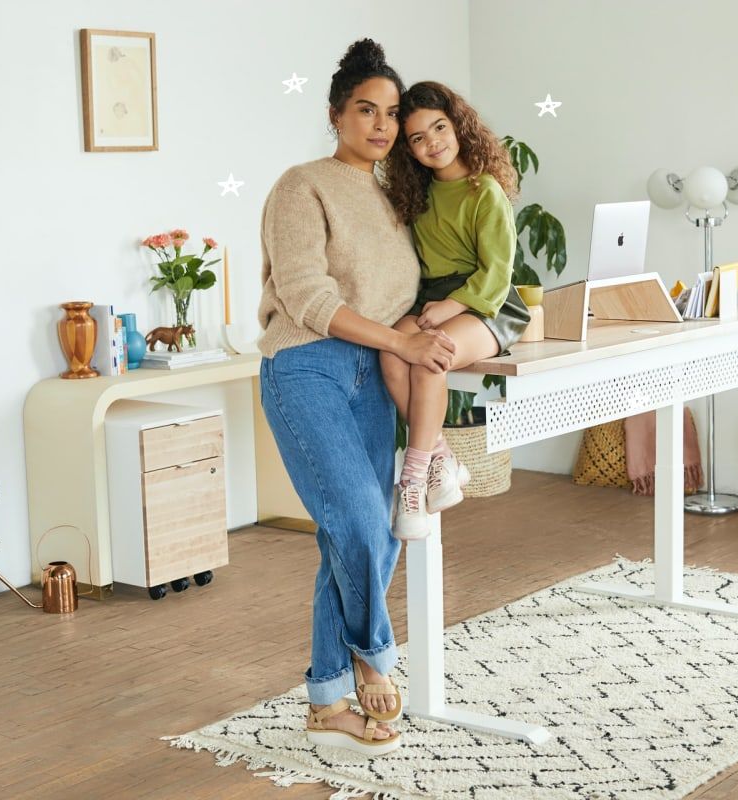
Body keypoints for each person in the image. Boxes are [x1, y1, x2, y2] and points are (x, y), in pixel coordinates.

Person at [258, 39, 457, 757]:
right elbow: (306, 294)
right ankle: (374, 654)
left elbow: (419, 286)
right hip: (306, 366)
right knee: (365, 523)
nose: (380, 125)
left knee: (349, 536)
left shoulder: (399, 194)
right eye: (365, 110)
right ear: (336, 113)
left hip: (375, 371)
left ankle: (325, 700)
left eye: (391, 112)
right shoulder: (301, 185)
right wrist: (400, 342)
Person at [381, 81, 530, 540]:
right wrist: (435, 306)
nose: (433, 143)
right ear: (407, 149)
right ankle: (442, 458)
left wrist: (451, 306)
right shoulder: (417, 196)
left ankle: (412, 479)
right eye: (418, 138)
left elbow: (498, 272)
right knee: (390, 350)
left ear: (458, 124)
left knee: (430, 357)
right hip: (434, 300)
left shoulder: (484, 190)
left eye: (439, 128)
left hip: (489, 303)